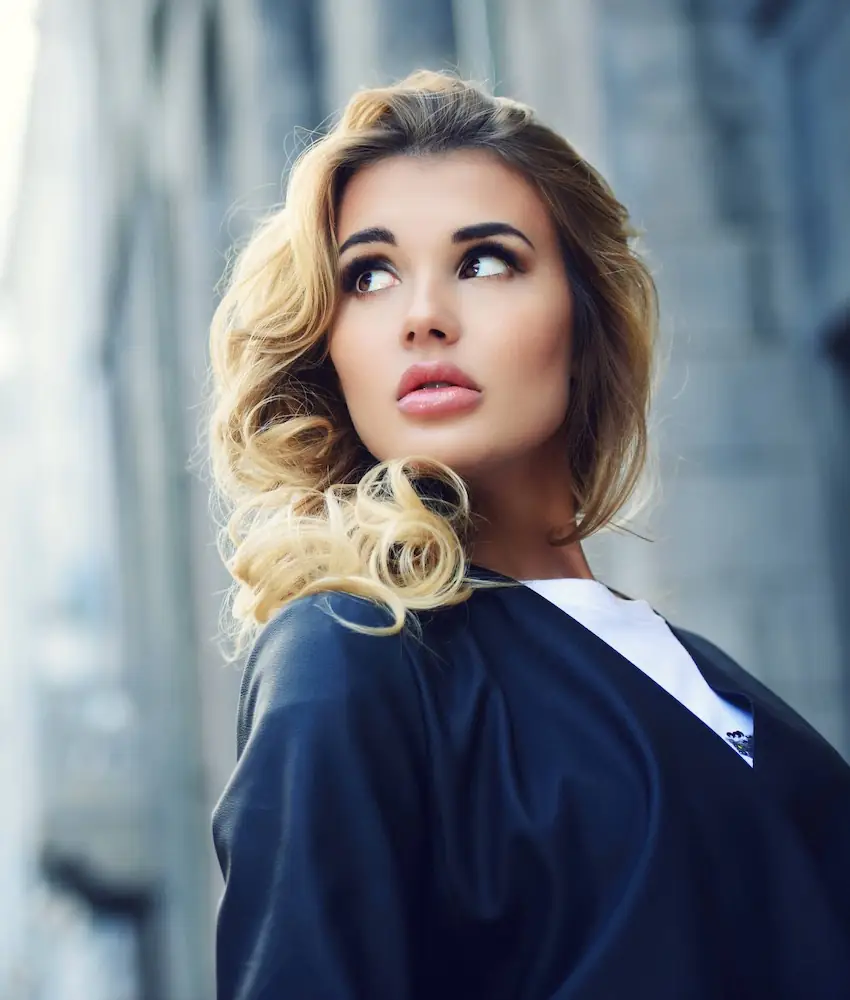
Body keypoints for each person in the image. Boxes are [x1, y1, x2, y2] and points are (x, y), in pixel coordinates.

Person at [207, 70, 850, 999]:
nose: (424, 314)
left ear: (583, 320)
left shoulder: (694, 671)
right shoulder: (353, 653)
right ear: (328, 344)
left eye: (484, 261)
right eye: (370, 275)